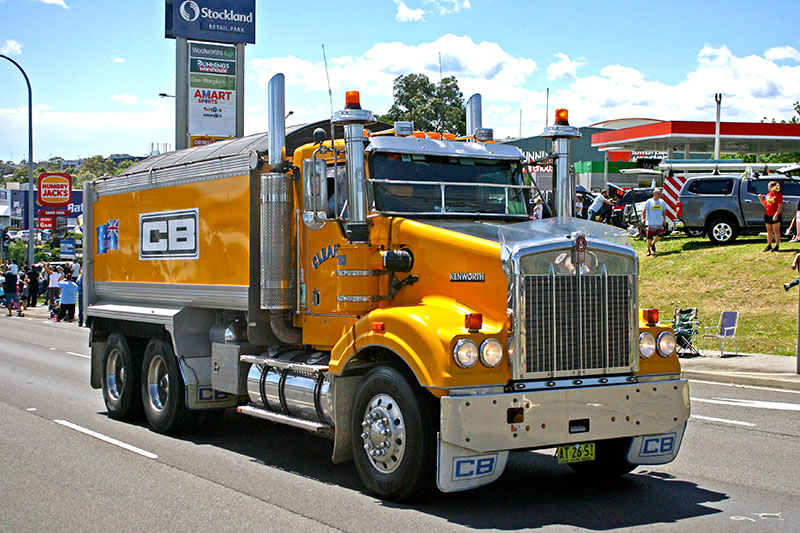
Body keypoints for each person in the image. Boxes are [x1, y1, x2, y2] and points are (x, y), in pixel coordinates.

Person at [759, 181, 783, 252]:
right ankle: (769, 245)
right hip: (768, 214)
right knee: (769, 231)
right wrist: (760, 199)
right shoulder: (768, 194)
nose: (768, 188)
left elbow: (780, 206)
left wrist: (776, 215)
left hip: (775, 214)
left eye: (769, 186)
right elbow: (765, 205)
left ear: (773, 187)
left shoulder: (778, 195)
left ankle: (777, 245)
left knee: (776, 231)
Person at [643, 188, 668, 257]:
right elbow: (644, 211)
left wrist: (664, 220)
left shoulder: (662, 201)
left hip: (659, 222)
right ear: (654, 194)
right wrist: (643, 219)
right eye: (657, 193)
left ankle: (653, 243)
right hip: (650, 222)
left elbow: (664, 211)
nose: (659, 195)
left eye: (660, 194)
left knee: (660, 236)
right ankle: (648, 250)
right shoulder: (649, 201)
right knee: (649, 237)